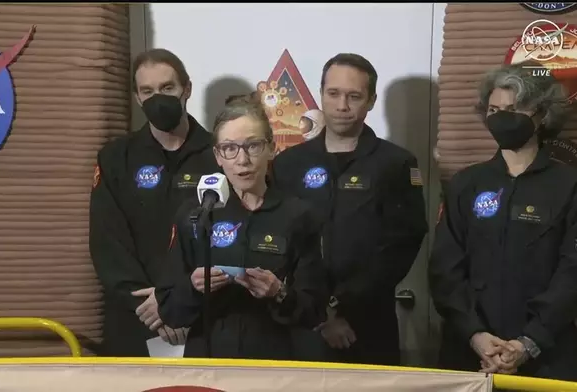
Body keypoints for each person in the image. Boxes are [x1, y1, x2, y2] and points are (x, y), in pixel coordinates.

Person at [272, 53, 428, 365]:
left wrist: (339, 306)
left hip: (367, 323)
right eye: (333, 94)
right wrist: (321, 315)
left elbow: (401, 245)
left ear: (370, 101)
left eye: (354, 96)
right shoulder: (288, 165)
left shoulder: (396, 164)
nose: (342, 106)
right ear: (321, 95)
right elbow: (280, 243)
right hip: (300, 321)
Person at [428, 62, 577, 381]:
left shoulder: (569, 185)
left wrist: (528, 343)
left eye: (513, 109)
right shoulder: (466, 183)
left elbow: (572, 273)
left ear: (541, 114)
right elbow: (445, 269)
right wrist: (475, 334)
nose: (501, 117)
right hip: (468, 355)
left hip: (548, 357)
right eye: (494, 109)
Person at [155, 95, 328, 359]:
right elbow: (168, 309)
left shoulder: (298, 215)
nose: (242, 159)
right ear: (218, 156)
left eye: (253, 146)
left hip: (277, 362)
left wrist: (279, 294)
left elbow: (315, 310)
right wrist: (193, 287)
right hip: (209, 360)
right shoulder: (196, 214)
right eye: (229, 148)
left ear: (271, 148)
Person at [89, 48, 219, 356]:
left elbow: (232, 236)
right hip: (137, 317)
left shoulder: (221, 154)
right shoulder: (115, 157)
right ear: (137, 97)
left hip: (205, 317)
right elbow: (107, 241)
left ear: (186, 88)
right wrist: (151, 306)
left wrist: (181, 301)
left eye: (167, 88)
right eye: (147, 91)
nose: (157, 98)